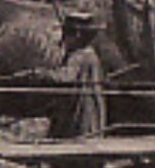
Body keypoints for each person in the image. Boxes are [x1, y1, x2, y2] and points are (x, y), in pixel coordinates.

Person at [38, 10, 107, 139]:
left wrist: (39, 74)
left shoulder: (79, 56)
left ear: (77, 35)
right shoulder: (91, 54)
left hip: (79, 111)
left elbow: (65, 77)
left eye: (67, 35)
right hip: (89, 107)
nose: (64, 41)